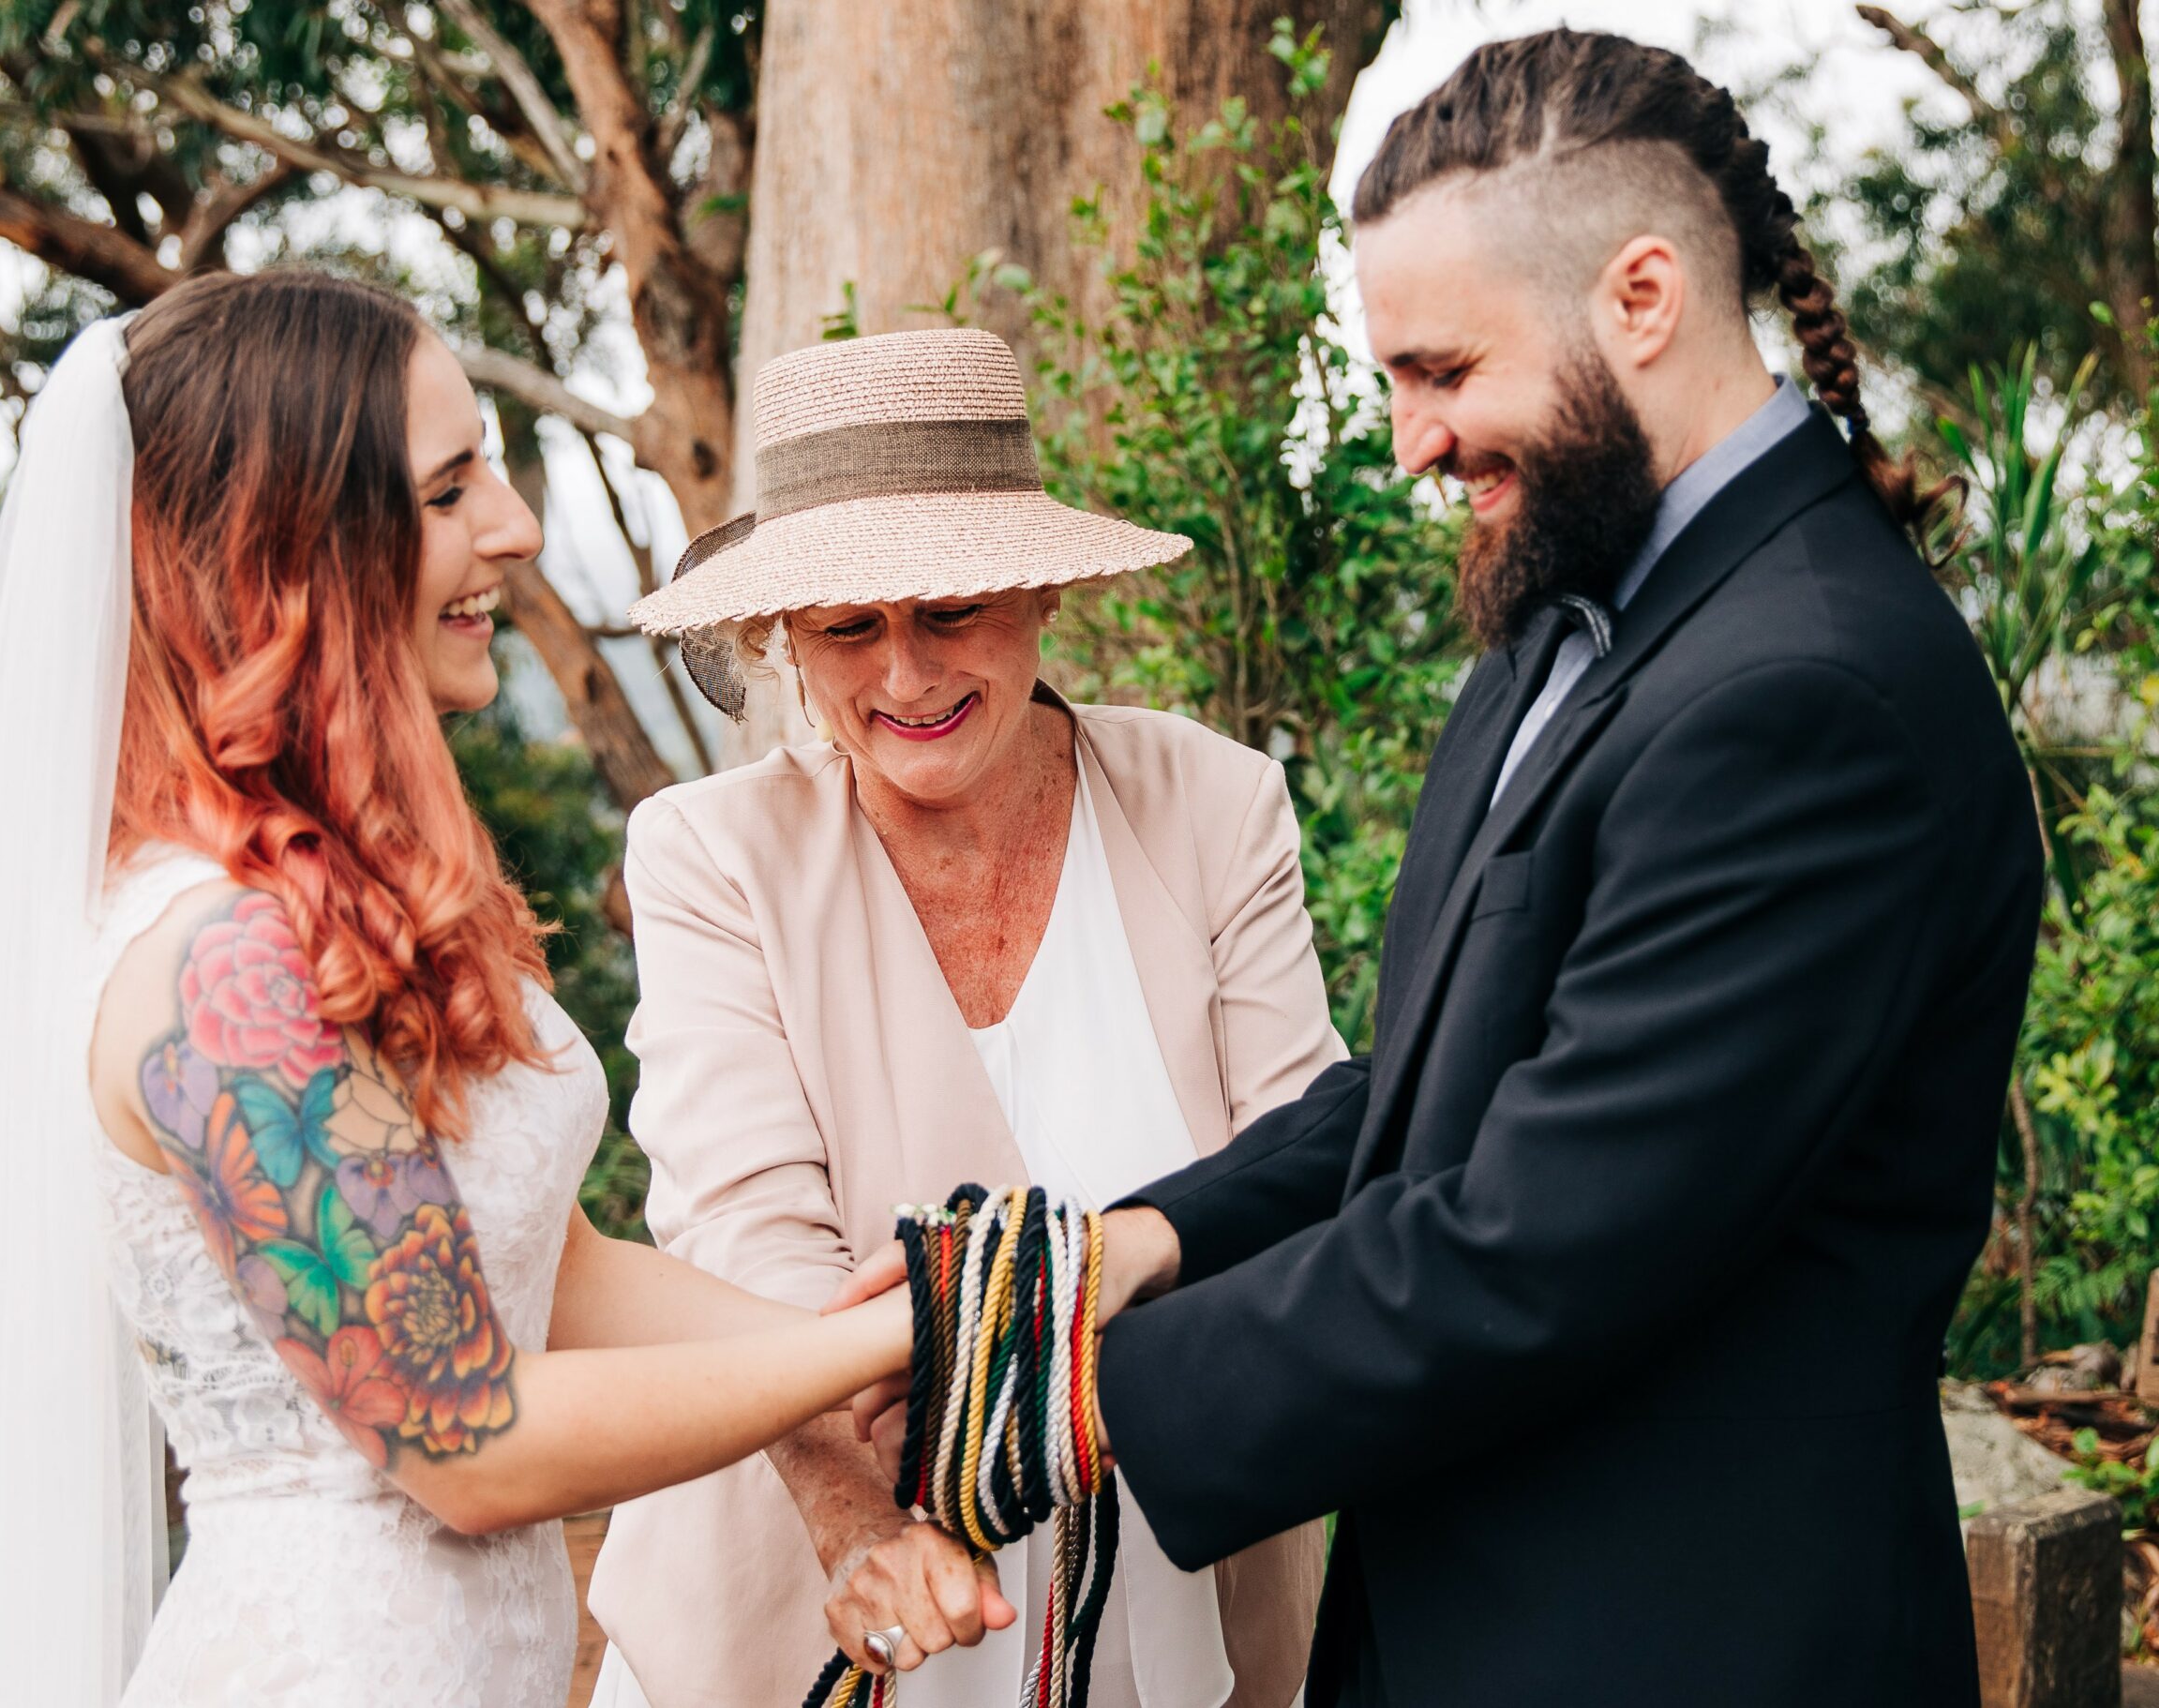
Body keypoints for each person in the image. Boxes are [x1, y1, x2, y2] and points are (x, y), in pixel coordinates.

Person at [829, 29, 2043, 1707]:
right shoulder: (1572, 616)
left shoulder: (1812, 696)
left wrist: (1070, 1390)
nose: (1412, 440)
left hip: (1685, 1646)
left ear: (1642, 297)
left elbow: (1540, 1238)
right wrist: (1135, 1246)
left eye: (1443, 369)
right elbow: (1438, 1094)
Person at [0, 269, 916, 1708]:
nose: (517, 529)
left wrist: (885, 1360)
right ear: (283, 554)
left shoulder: (324, 900)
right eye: (449, 488)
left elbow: (562, 1269)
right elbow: (466, 1439)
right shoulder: (212, 963)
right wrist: (899, 1334)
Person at [588, 326, 1336, 1708]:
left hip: (1172, 1587)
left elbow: (1304, 1167)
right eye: (848, 629)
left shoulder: (1214, 807)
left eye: (950, 611)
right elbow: (746, 1241)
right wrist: (858, 1524)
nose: (905, 678)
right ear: (783, 639)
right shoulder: (710, 855)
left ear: (1043, 584)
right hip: (827, 1619)